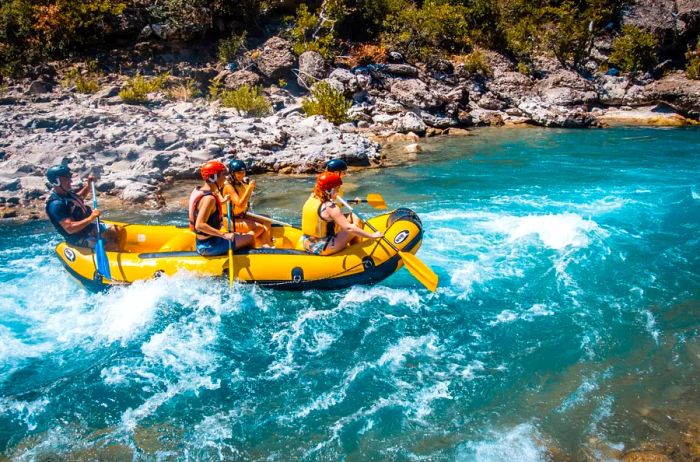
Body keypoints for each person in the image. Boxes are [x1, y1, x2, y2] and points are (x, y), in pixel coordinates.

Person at [300, 172, 383, 255]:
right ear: (329, 190)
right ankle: (357, 249)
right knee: (354, 227)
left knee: (353, 216)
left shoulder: (312, 197)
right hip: (322, 247)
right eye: (337, 189)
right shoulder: (330, 207)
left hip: (306, 243)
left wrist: (351, 202)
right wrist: (372, 235)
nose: (338, 191)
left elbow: (329, 211)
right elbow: (349, 228)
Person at [45, 165, 120, 249]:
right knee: (112, 246)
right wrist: (91, 218)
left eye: (69, 178)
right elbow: (70, 228)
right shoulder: (56, 205)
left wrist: (88, 186)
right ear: (56, 181)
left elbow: (78, 199)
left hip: (87, 228)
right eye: (66, 179)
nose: (70, 181)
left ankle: (110, 244)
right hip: (78, 238)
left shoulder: (66, 194)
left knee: (116, 230)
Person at [188, 161, 253, 256]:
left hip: (205, 241)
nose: (225, 177)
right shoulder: (209, 199)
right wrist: (223, 235)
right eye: (223, 174)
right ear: (213, 177)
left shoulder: (199, 190)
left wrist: (222, 201)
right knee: (251, 237)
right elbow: (199, 225)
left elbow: (204, 208)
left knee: (242, 236)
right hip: (210, 246)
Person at [222, 159, 272, 248]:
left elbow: (246, 200)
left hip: (241, 215)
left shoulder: (241, 183)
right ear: (232, 174)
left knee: (267, 219)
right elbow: (240, 204)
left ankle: (266, 244)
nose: (242, 175)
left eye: (243, 172)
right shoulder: (228, 186)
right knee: (259, 228)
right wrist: (249, 188)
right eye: (239, 173)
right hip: (231, 221)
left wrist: (250, 188)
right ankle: (244, 242)